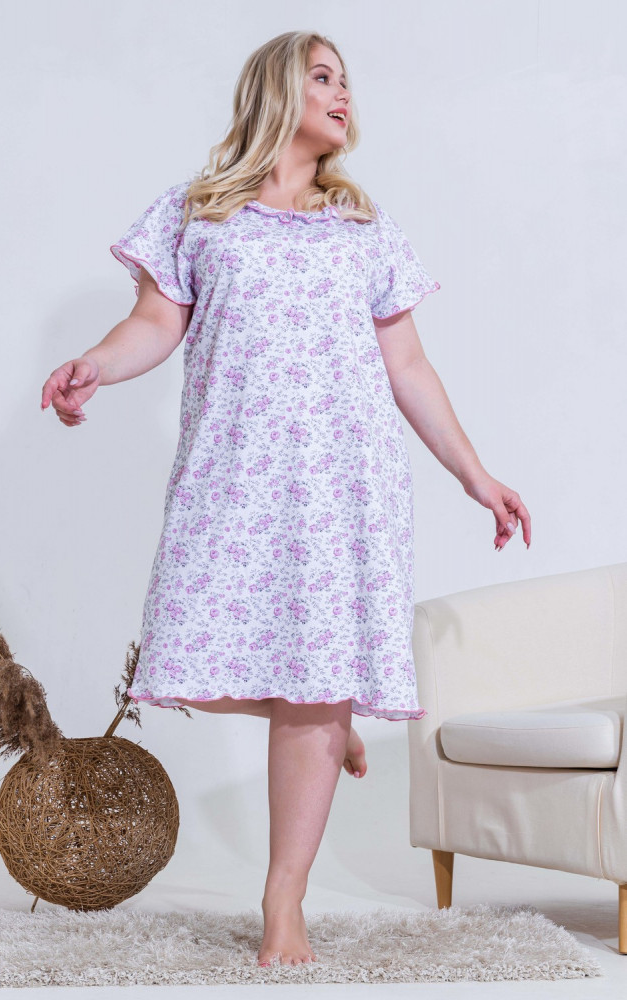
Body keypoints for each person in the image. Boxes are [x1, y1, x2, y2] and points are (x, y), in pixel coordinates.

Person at [40, 30, 531, 967]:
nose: (344, 94)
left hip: (347, 483)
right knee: (203, 651)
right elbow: (154, 323)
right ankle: (326, 714)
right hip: (237, 472)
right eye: (323, 77)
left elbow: (409, 366)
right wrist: (96, 365)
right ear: (275, 90)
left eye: (348, 82)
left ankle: (283, 898)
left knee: (317, 676)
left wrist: (477, 475)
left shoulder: (364, 226)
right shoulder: (199, 212)